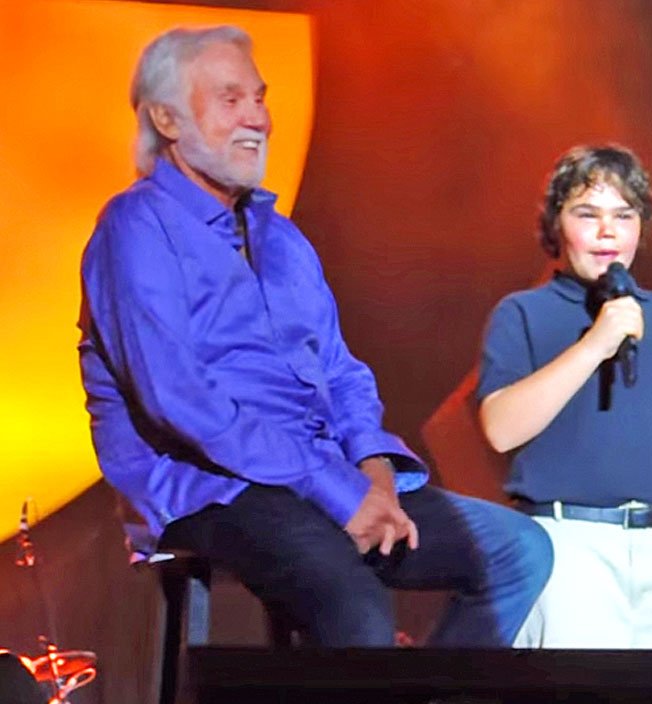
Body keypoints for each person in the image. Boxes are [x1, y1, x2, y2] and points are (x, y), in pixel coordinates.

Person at [77, 25, 551, 648]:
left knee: (519, 549)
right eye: (231, 100)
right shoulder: (134, 227)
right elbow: (183, 402)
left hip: (323, 476)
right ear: (166, 118)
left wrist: (374, 474)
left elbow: (341, 371)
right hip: (210, 488)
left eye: (260, 98)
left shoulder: (283, 239)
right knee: (353, 601)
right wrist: (339, 493)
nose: (259, 119)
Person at [475, 145, 652, 703]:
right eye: (588, 214)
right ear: (556, 226)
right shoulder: (522, 314)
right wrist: (595, 344)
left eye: (623, 216)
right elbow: (500, 428)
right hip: (569, 548)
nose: (607, 232)